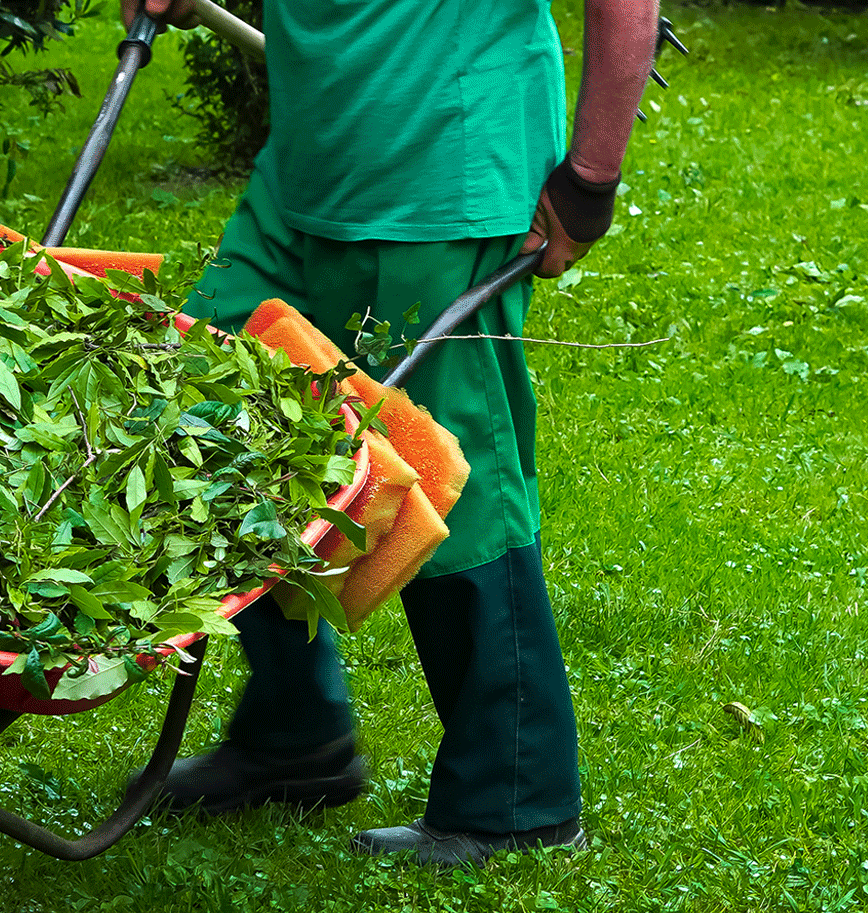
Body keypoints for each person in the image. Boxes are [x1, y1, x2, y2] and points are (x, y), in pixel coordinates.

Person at [122, 0, 660, 865]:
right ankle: (295, 731)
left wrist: (590, 176)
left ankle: (514, 796)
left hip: (440, 179)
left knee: (451, 480)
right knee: (208, 423)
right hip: (307, 171)